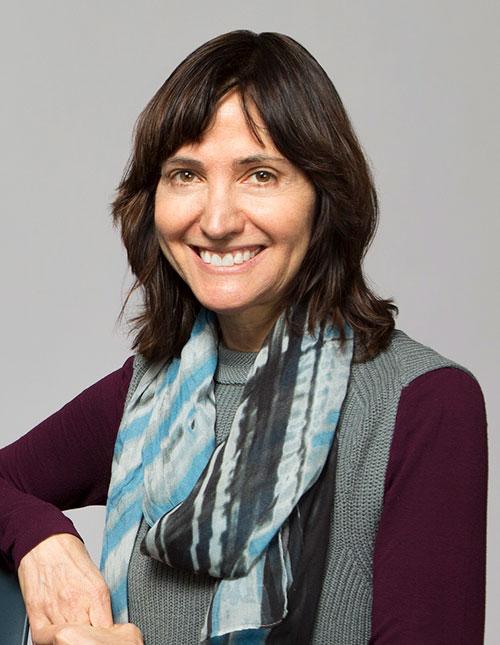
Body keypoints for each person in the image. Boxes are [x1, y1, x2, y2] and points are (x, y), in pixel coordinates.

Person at [0, 30, 488, 645]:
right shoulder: (149, 396)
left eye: (260, 174)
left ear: (323, 197)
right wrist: (42, 540)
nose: (218, 219)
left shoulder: (424, 403)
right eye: (186, 174)